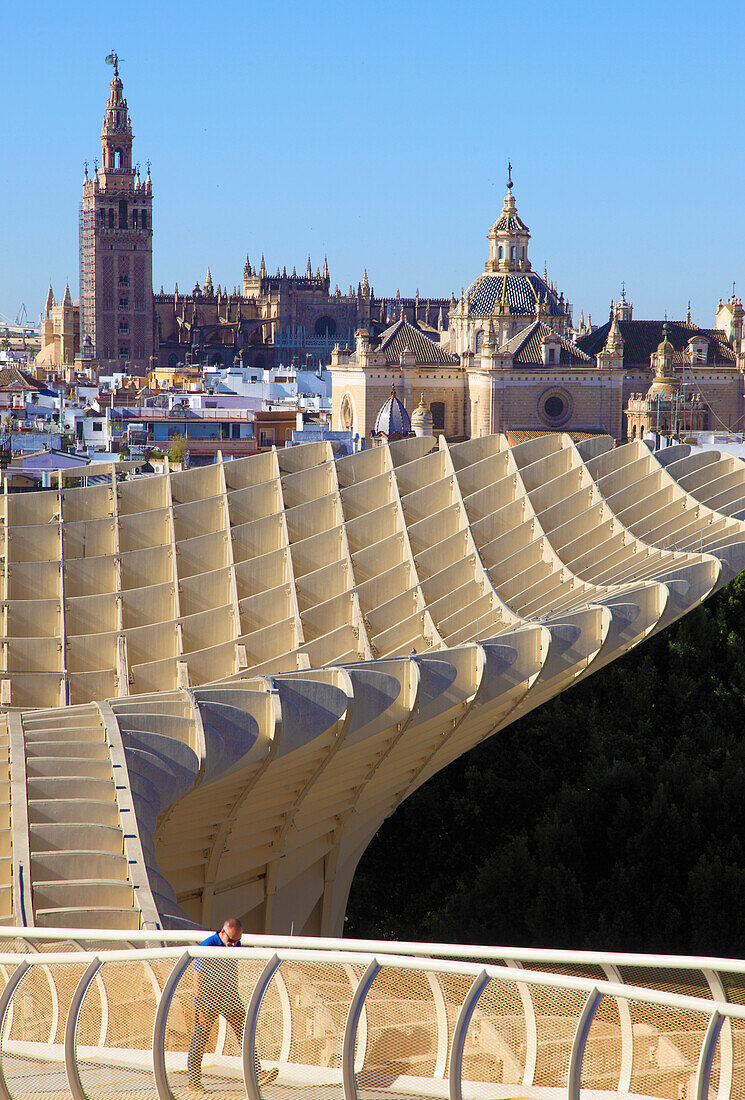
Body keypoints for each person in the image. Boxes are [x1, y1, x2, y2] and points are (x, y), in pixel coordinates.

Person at [187, 918, 278, 1092]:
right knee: (200, 1039)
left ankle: (257, 1074)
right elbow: (197, 977)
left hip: (229, 996)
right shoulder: (207, 946)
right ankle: (194, 1082)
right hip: (208, 1000)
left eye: (237, 941)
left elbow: (232, 969)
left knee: (245, 1033)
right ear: (222, 932)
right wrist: (200, 1005)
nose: (234, 945)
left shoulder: (236, 944)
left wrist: (234, 992)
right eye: (231, 940)